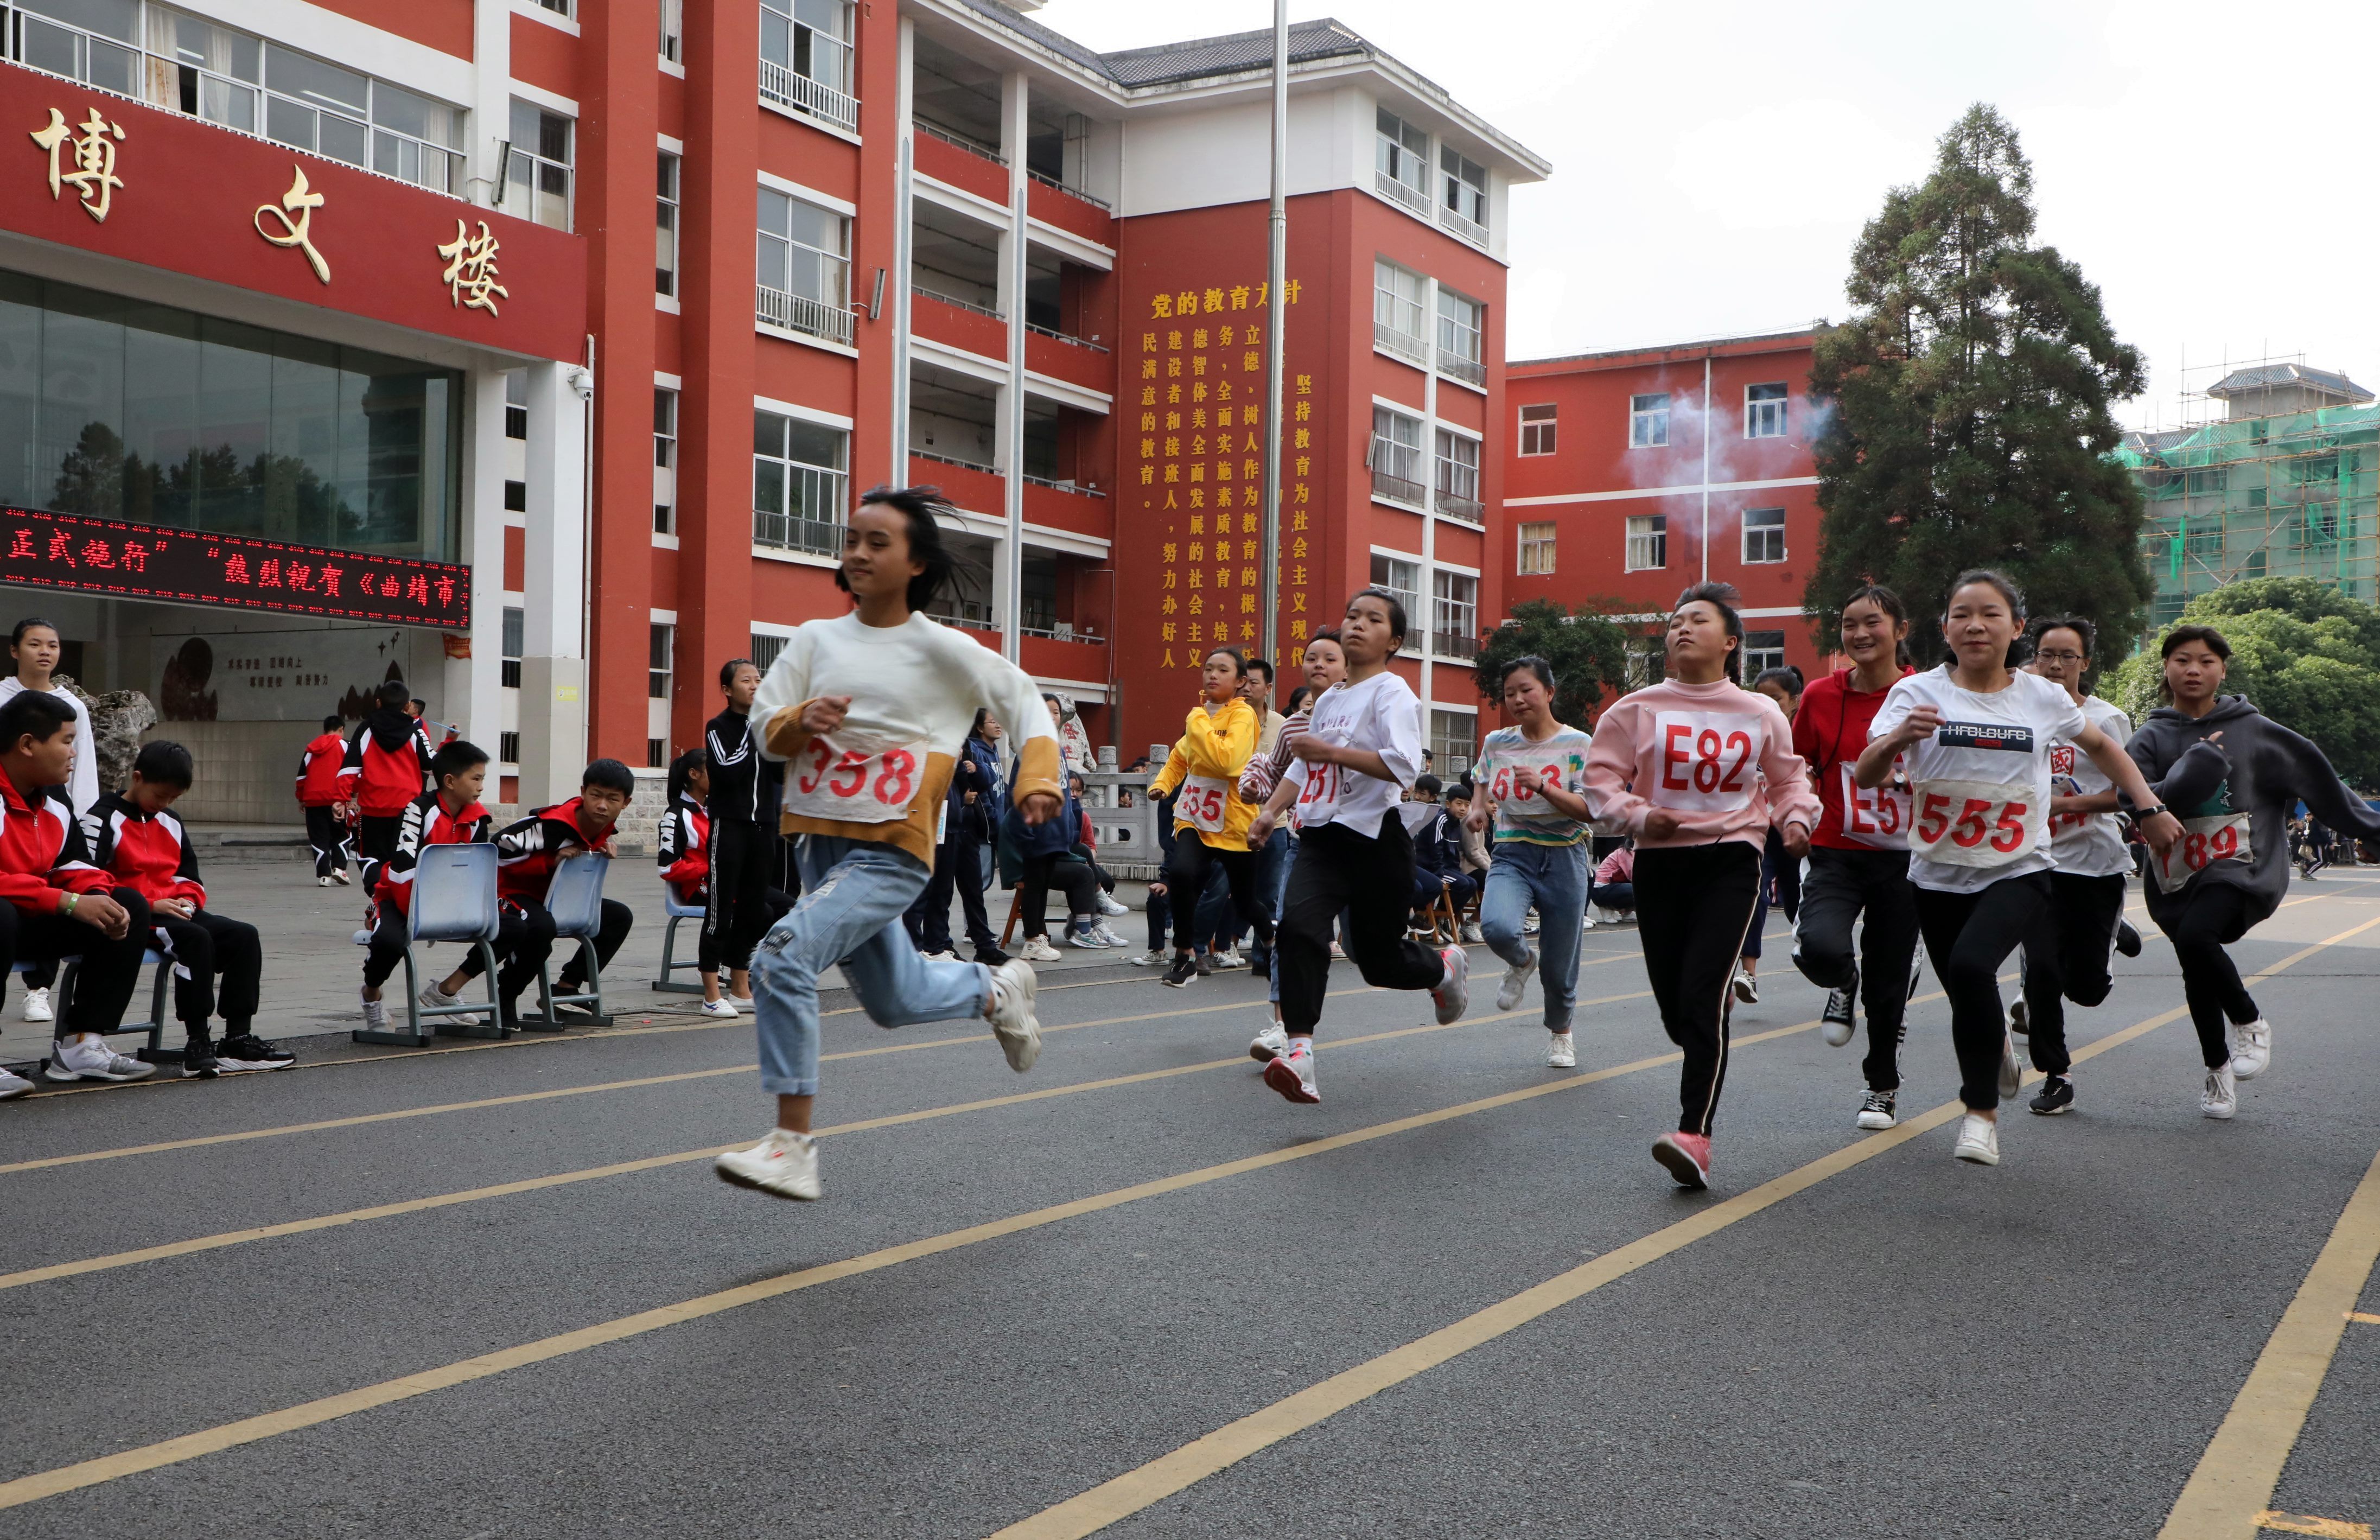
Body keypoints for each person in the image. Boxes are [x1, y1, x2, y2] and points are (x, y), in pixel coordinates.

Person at [712, 486, 1058, 1202]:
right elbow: (763, 732)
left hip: (893, 847)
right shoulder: (813, 640)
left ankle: (791, 1146)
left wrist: (1038, 778)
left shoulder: (943, 650)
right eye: (853, 540)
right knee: (894, 1000)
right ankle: (996, 989)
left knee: (781, 955)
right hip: (819, 847)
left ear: (916, 563)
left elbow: (1025, 700)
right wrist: (802, 718)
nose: (859, 553)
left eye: (878, 542)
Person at [1860, 571, 2179, 1167]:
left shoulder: (2041, 697)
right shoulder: (1916, 694)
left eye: (1990, 614)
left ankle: (1979, 1115)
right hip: (1938, 872)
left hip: (2020, 866)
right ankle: (1994, 1043)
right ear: (1945, 628)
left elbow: (2106, 749)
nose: (1975, 625)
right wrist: (1898, 738)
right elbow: (1868, 774)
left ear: (2017, 628)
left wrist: (2148, 804)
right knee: (1968, 995)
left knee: (1971, 964)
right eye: (1961, 614)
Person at [1584, 584, 1818, 1188]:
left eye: (1698, 620)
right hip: (1660, 863)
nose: (1681, 628)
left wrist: (1795, 821)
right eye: (1676, 621)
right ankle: (1702, 1034)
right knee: (1677, 1010)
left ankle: (1695, 1134)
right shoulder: (1634, 709)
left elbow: (1790, 780)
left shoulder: (1760, 712)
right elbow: (1601, 784)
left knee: (1703, 998)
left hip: (1732, 858)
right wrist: (1639, 817)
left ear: (1731, 641)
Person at [2124, 623, 2380, 1118]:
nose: (2193, 669)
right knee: (2196, 966)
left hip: (2244, 866)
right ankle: (2217, 1072)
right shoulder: (2151, 735)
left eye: (2205, 660)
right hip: (2174, 875)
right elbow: (2133, 795)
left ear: (2223, 668)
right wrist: (2192, 769)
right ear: (2165, 667)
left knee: (2199, 938)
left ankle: (2250, 1021)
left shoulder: (2259, 733)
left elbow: (2324, 785)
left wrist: (2371, 831)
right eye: (2181, 659)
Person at [1245, 591, 1467, 1105]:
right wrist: (1267, 811)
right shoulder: (1329, 700)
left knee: (1376, 962)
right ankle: (1300, 1054)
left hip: (1376, 839)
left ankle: (1442, 967)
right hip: (1321, 837)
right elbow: (1304, 765)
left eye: (1372, 620)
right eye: (1351, 616)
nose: (1356, 625)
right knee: (1299, 929)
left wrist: (1330, 750)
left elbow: (1402, 766)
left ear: (1393, 641)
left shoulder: (1393, 693)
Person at [1789, 585, 1924, 1130]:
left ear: (1901, 630)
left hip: (1907, 860)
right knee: (1819, 949)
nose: (1861, 634)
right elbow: (1798, 763)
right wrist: (1797, 808)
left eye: (1873, 622)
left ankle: (1881, 1087)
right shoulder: (1821, 695)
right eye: (1849, 624)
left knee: (1890, 983)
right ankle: (1844, 982)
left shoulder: (1928, 695)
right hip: (1835, 851)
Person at [84, 740, 287, 1077]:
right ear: (137, 778)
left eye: (173, 799)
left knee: (244, 935)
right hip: (134, 914)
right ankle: (198, 1039)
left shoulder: (171, 821)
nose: (165, 804)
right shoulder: (102, 817)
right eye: (161, 796)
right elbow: (90, 878)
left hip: (175, 908)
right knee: (195, 940)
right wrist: (151, 903)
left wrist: (188, 901)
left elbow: (189, 877)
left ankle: (237, 1037)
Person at [2012, 615, 2145, 1116]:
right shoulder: (2015, 715)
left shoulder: (2107, 720)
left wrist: (2062, 806)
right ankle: (2055, 1075)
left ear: (2084, 664)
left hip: (2094, 864)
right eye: (2047, 654)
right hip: (2031, 863)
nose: (2055, 664)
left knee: (2086, 989)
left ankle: (2113, 934)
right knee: (2041, 972)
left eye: (2068, 656)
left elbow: (2123, 792)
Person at [0, 692, 156, 1096]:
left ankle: (82, 1045)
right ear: (28, 744)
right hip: (8, 916)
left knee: (129, 906)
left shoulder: (53, 799)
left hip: (27, 915)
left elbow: (74, 865)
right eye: (67, 741)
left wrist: (97, 896)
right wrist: (68, 902)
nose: (75, 752)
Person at [424, 760, 638, 1027]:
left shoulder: (604, 828)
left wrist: (602, 847)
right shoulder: (549, 825)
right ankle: (505, 997)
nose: (602, 805)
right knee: (540, 927)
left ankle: (566, 987)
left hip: (549, 898)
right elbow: (497, 850)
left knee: (618, 917)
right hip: (504, 892)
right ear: (583, 792)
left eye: (612, 799)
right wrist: (550, 860)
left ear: (625, 803)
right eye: (595, 795)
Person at [1469, 655, 1596, 1067]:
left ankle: (1561, 1033)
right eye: (1510, 694)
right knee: (1497, 926)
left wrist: (1543, 786)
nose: (1518, 699)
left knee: (1560, 967)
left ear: (1549, 692)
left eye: (1527, 690)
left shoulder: (1578, 744)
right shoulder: (1498, 743)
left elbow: (1589, 809)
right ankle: (1522, 961)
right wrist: (1476, 809)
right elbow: (1481, 779)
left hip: (1565, 856)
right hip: (1513, 851)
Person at [1239, 634, 1347, 1058]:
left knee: (1369, 950)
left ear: (1348, 666)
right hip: (1306, 845)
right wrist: (1259, 794)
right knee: (1291, 933)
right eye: (1310, 658)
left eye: (1329, 658)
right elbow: (1278, 773)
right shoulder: (1295, 725)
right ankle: (1284, 1028)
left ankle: (1439, 969)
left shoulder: (1365, 713)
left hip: (1360, 845)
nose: (1318, 664)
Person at [1148, 647, 1275, 989]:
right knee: (1181, 873)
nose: (1212, 675)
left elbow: (1229, 762)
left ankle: (1269, 939)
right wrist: (1162, 784)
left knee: (1247, 901)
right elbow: (1180, 756)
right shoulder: (1201, 716)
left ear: (1240, 682)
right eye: (1208, 669)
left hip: (1234, 823)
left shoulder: (1241, 716)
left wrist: (1198, 721)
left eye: (1222, 670)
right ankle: (1185, 955)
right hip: (1195, 816)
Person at [358, 739, 493, 1036]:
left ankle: (446, 990)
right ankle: (372, 995)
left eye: (482, 778)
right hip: (398, 898)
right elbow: (401, 869)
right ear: (450, 781)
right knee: (390, 941)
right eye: (476, 778)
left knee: (511, 928)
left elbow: (479, 873)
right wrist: (421, 915)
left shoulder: (479, 818)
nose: (481, 786)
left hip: (448, 902)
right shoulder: (418, 810)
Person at [0, 617, 98, 1026]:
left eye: (53, 645)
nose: (45, 651)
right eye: (35, 643)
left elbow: (83, 768)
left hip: (47, 816)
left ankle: (78, 1034)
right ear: (15, 650)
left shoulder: (72, 706)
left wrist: (81, 821)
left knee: (98, 898)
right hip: (11, 809)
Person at [706, 658, 780, 1008]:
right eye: (746, 680)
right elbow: (726, 770)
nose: (755, 685)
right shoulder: (718, 727)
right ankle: (711, 994)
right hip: (730, 825)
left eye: (758, 679)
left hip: (764, 825)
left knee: (754, 910)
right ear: (726, 690)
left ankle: (740, 987)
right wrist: (755, 728)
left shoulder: (764, 727)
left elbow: (780, 773)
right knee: (720, 909)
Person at [1734, 665, 1806, 1004]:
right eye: (1760, 697)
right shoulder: (1749, 730)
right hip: (1758, 829)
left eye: (1775, 698)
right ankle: (1749, 972)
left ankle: (1824, 955)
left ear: (1794, 701)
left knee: (1797, 900)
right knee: (1755, 895)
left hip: (1793, 829)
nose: (1767, 704)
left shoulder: (1804, 735)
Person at [914, 710, 1008, 966]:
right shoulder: (932, 740)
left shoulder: (969, 746)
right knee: (933, 890)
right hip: (941, 825)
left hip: (964, 827)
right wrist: (961, 794)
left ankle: (978, 944)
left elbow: (987, 780)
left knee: (971, 890)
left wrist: (972, 769)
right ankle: (931, 946)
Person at [658, 748, 737, 1019]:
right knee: (736, 907)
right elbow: (668, 867)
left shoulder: (716, 809)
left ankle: (743, 982)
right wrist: (711, 866)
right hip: (697, 888)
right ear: (694, 775)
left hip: (722, 882)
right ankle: (715, 990)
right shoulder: (676, 814)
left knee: (775, 904)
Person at [339, 679, 433, 892]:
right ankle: (399, 904)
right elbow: (431, 765)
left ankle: (377, 897)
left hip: (373, 811)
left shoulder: (365, 729)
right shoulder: (415, 732)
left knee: (371, 858)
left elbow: (349, 769)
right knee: (405, 860)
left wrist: (342, 798)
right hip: (408, 811)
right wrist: (449, 743)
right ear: (408, 706)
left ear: (379, 702)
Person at [1007, 769, 1103, 957]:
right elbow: (1018, 793)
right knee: (1043, 884)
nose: (1074, 794)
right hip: (1037, 836)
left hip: (1054, 839)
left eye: (1079, 791)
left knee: (1086, 870)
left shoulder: (1057, 753)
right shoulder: (1036, 745)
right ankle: (1034, 940)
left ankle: (1042, 937)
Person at [1239, 658, 1290, 976]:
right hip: (1233, 822)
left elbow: (1290, 773)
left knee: (1270, 895)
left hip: (1276, 824)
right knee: (1226, 891)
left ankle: (1264, 958)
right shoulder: (1228, 720)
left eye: (1253, 683)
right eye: (1242, 682)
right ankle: (1198, 951)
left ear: (1268, 688)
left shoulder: (1282, 725)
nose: (1245, 688)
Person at [295, 714, 352, 887]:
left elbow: (302, 776)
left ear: (324, 730)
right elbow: (353, 772)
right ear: (341, 729)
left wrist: (302, 798)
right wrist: (354, 795)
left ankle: (324, 876)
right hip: (338, 799)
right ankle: (339, 868)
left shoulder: (311, 748)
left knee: (319, 838)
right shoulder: (346, 746)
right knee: (342, 834)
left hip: (313, 800)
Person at [1589, 844, 1634, 920]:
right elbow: (1634, 877)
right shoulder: (1627, 853)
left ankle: (1627, 911)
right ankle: (1607, 907)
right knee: (1641, 890)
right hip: (1601, 890)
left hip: (1610, 887)